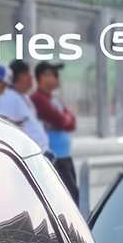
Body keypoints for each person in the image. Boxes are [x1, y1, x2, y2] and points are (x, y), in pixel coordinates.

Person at [31, 62, 80, 204]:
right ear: (42, 77)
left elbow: (71, 123)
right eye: (53, 75)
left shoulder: (54, 99)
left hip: (64, 157)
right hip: (54, 158)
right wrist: (64, 119)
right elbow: (59, 120)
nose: (57, 78)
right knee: (66, 198)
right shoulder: (38, 99)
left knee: (73, 196)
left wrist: (65, 119)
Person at [0, 60, 49, 153]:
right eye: (27, 74)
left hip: (40, 153)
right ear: (19, 76)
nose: (31, 77)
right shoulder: (8, 97)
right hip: (26, 155)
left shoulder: (24, 96)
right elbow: (5, 128)